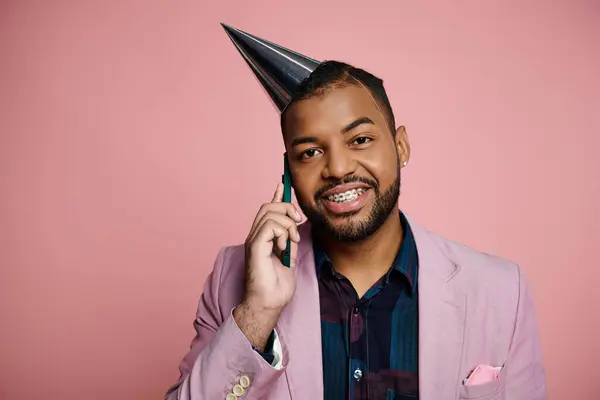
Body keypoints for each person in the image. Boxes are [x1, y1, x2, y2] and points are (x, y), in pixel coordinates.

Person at [165, 27, 547, 400]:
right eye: (310, 152)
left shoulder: (500, 290)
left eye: (360, 140)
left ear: (401, 147)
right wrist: (257, 314)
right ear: (288, 173)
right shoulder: (233, 277)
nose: (338, 168)